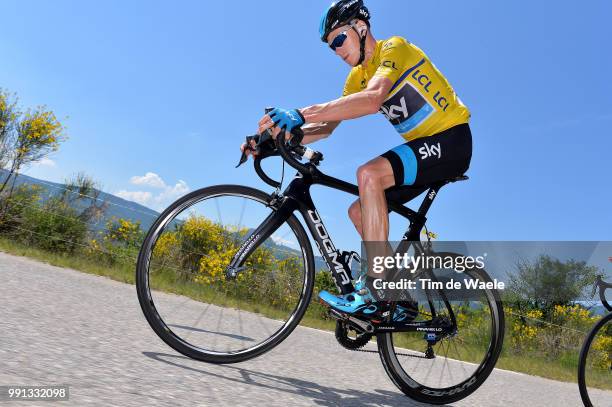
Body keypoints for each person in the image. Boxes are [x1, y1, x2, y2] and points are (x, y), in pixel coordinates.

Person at [244, 0, 472, 316]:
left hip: (452, 140)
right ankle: (398, 297)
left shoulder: (394, 48)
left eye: (339, 39)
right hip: (425, 150)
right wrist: (271, 139)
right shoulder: (356, 78)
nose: (337, 50)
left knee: (370, 174)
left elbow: (373, 99)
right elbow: (325, 128)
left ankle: (377, 290)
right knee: (358, 210)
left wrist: (300, 112)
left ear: (361, 28)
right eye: (330, 47)